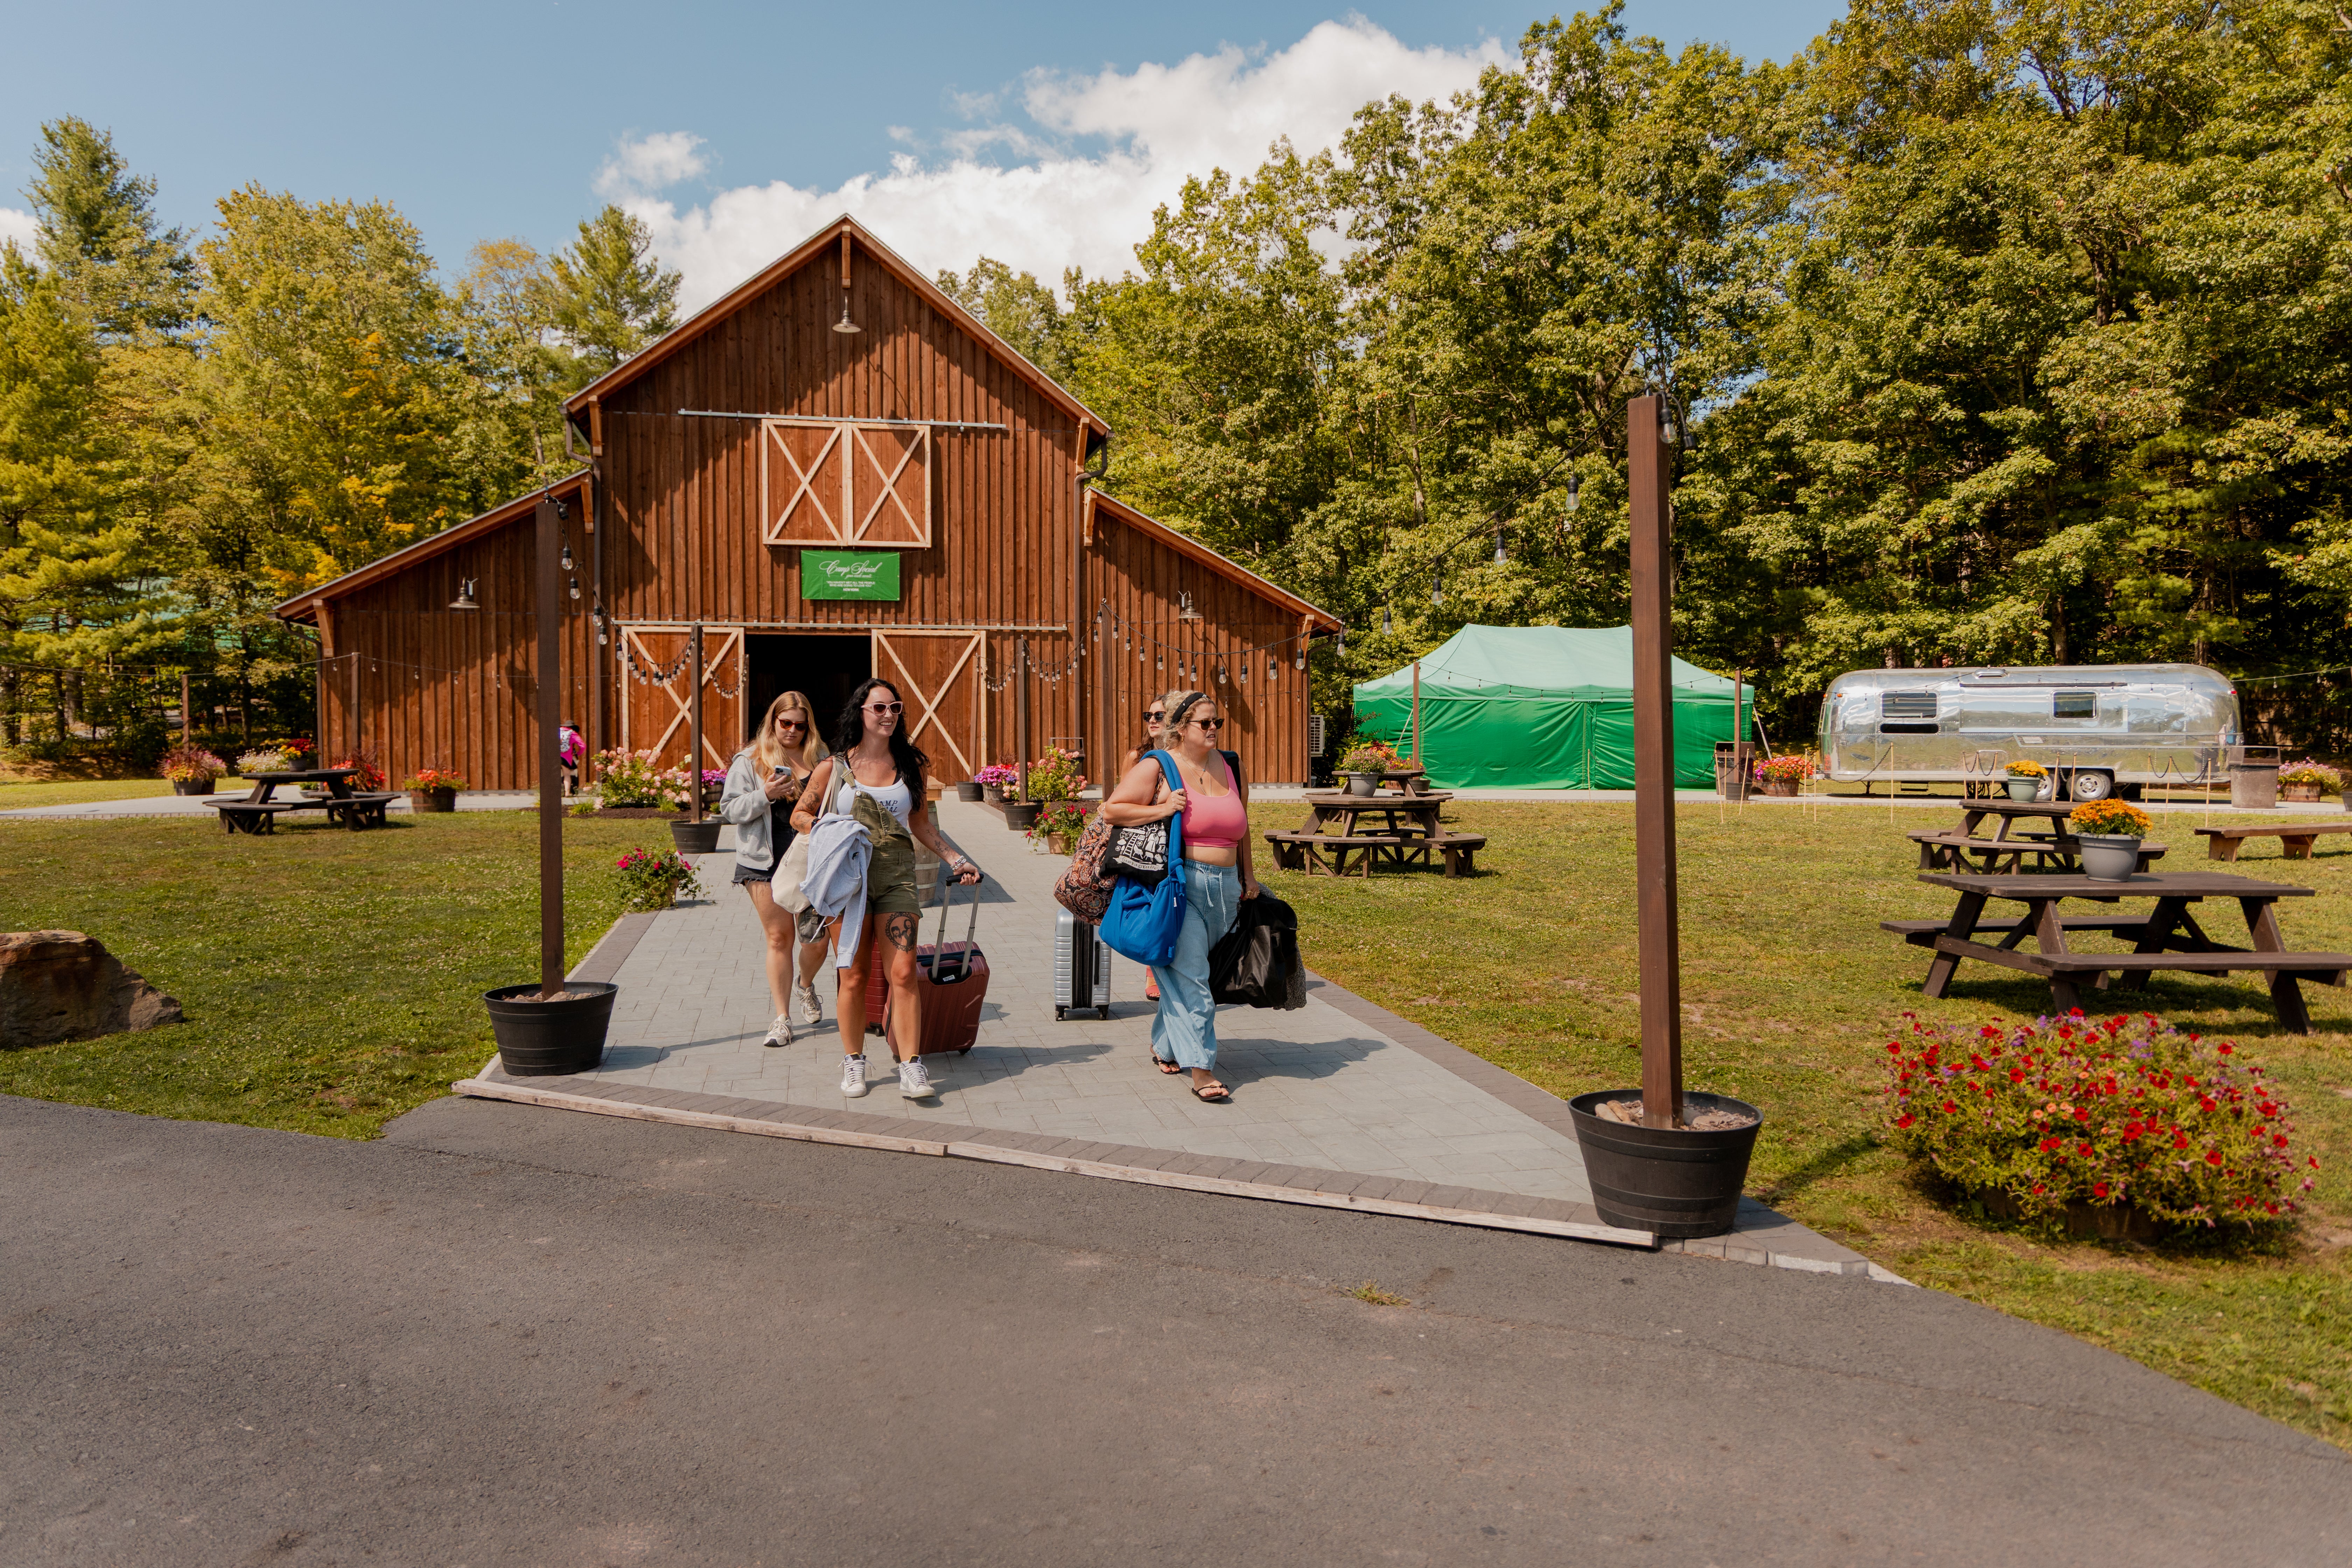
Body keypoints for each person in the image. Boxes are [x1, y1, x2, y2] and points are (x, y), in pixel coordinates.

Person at [792, 677, 982, 1101]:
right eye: (879, 708)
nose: (888, 715)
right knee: (853, 974)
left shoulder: (910, 767)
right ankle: (854, 1061)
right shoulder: (834, 767)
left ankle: (912, 1066)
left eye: (895, 708)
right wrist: (829, 826)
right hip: (847, 878)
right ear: (860, 712)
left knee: (902, 972)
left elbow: (920, 826)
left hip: (897, 874)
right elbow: (800, 815)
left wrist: (957, 860)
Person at [1100, 688, 1256, 1102]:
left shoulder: (1230, 764)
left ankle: (1165, 1045)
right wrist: (1164, 807)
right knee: (1195, 983)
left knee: (1197, 977)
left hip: (1226, 889)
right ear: (1180, 728)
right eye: (1204, 723)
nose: (1213, 730)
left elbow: (1244, 827)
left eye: (1217, 722)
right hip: (1179, 886)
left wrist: (1249, 877)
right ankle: (1203, 1071)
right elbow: (1112, 810)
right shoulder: (1160, 765)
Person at [720, 692, 833, 1046]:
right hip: (763, 862)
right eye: (786, 723)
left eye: (801, 725)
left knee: (817, 939)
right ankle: (782, 1019)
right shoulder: (750, 760)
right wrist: (765, 794)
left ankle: (805, 985)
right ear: (773, 722)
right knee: (779, 938)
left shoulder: (823, 758)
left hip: (813, 861)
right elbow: (730, 810)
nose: (793, 731)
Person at [1121, 698, 1170, 1002]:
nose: (1152, 720)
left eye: (1159, 715)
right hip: (1146, 840)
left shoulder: (1184, 757)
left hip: (1177, 839)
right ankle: (1153, 970)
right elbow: (1122, 800)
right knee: (1154, 905)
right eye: (1148, 715)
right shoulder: (1137, 757)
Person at [558, 720, 585, 795]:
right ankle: (567, 793)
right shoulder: (573, 734)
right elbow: (583, 746)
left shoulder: (558, 732)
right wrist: (578, 753)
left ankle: (558, 793)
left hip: (555, 756)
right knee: (567, 775)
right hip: (565, 758)